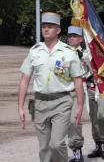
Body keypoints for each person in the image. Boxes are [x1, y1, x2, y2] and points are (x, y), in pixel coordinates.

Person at [18, 12, 84, 162]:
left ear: (58, 30)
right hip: (40, 104)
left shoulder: (68, 53)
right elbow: (24, 80)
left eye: (50, 27)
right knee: (44, 147)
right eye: (44, 27)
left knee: (57, 144)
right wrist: (20, 106)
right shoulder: (34, 51)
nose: (46, 29)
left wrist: (80, 106)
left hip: (62, 102)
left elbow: (78, 81)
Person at [66, 26, 87, 162]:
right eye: (70, 36)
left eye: (75, 36)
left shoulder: (86, 54)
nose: (72, 38)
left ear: (80, 39)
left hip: (78, 91)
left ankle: (78, 149)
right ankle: (72, 151)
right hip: (64, 91)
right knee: (67, 123)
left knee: (75, 121)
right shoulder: (63, 53)